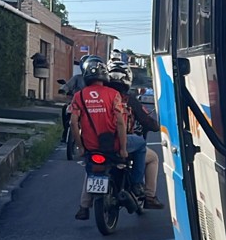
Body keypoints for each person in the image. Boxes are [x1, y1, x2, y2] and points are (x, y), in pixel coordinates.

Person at [68, 62, 129, 221]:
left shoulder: (79, 96)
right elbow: (121, 123)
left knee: (91, 171)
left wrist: (80, 147)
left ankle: (83, 207)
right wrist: (123, 148)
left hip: (90, 147)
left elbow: (73, 123)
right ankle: (137, 188)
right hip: (112, 145)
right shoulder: (113, 94)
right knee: (139, 150)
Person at [105, 61, 165, 210]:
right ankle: (148, 195)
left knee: (92, 167)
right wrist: (156, 125)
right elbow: (147, 121)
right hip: (123, 144)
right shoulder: (128, 99)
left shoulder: (99, 98)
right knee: (152, 157)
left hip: (97, 143)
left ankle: (83, 205)